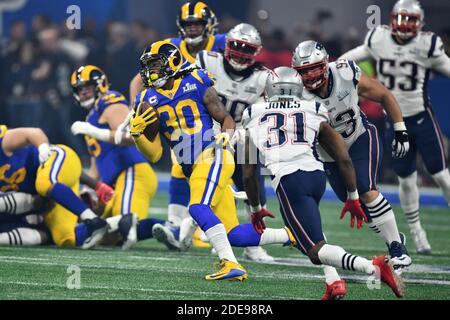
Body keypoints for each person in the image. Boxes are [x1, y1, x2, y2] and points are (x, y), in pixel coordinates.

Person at [242, 66, 405, 298]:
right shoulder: (313, 107)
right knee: (312, 238)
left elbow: (249, 172)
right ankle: (333, 282)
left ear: (269, 89)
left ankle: (374, 268)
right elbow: (343, 157)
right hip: (316, 176)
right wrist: (352, 197)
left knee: (315, 250)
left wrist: (257, 209)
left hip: (290, 180)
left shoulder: (253, 113)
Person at [340, 0, 450, 254]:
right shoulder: (378, 38)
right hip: (394, 120)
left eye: (409, 20)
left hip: (421, 117)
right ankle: (416, 232)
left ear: (420, 23)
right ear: (391, 18)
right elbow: (348, 60)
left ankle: (419, 232)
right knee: (407, 178)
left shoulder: (428, 44)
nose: (403, 25)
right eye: (400, 18)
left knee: (441, 174)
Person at [292, 40, 411, 272]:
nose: (310, 75)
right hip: (330, 157)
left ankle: (398, 249)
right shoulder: (298, 95)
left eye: (315, 68)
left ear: (326, 64)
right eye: (304, 71)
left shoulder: (345, 72)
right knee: (363, 211)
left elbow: (384, 95)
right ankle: (395, 237)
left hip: (359, 138)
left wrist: (400, 129)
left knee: (365, 190)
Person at [168, 23, 274, 261]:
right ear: (227, 45)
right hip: (209, 133)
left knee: (252, 183)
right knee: (215, 185)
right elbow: (187, 90)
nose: (239, 52)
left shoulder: (263, 78)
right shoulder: (207, 60)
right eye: (235, 46)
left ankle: (252, 244)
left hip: (244, 135)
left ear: (256, 52)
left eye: (245, 48)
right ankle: (204, 228)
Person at [125, 1, 225, 249]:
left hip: (222, 110)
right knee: (181, 160)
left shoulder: (223, 44)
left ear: (209, 24)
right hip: (183, 119)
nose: (192, 29)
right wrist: (135, 110)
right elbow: (137, 81)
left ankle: (251, 225)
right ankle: (177, 225)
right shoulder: (170, 49)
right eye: (188, 24)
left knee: (239, 174)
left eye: (197, 23)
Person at [69, 65, 178, 250]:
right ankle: (166, 229)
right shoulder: (91, 117)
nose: (84, 93)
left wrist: (95, 131)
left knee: (126, 223)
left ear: (99, 85)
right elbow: (96, 166)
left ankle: (176, 230)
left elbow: (129, 135)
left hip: (132, 172)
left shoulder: (108, 101)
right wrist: (86, 192)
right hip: (116, 183)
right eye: (80, 89)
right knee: (107, 235)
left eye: (87, 87)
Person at [0, 125, 108, 248]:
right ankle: (115, 222)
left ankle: (92, 219)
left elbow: (33, 133)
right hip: (53, 192)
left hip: (57, 157)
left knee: (44, 183)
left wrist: (43, 148)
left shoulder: (4, 142)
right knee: (66, 239)